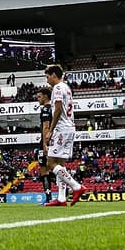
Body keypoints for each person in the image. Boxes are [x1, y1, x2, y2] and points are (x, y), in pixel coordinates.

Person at [41, 64, 86, 207]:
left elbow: (58, 109)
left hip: (61, 129)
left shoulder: (58, 88)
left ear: (54, 75)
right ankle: (61, 198)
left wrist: (50, 130)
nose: (47, 80)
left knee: (50, 163)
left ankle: (77, 187)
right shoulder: (66, 87)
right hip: (69, 128)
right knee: (60, 164)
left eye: (48, 77)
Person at [36, 86, 55, 203]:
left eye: (39, 97)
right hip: (55, 140)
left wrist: (44, 144)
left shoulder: (45, 109)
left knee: (44, 170)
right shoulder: (54, 107)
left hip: (46, 141)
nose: (38, 99)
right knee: (55, 167)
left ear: (45, 96)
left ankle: (48, 198)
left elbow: (46, 127)